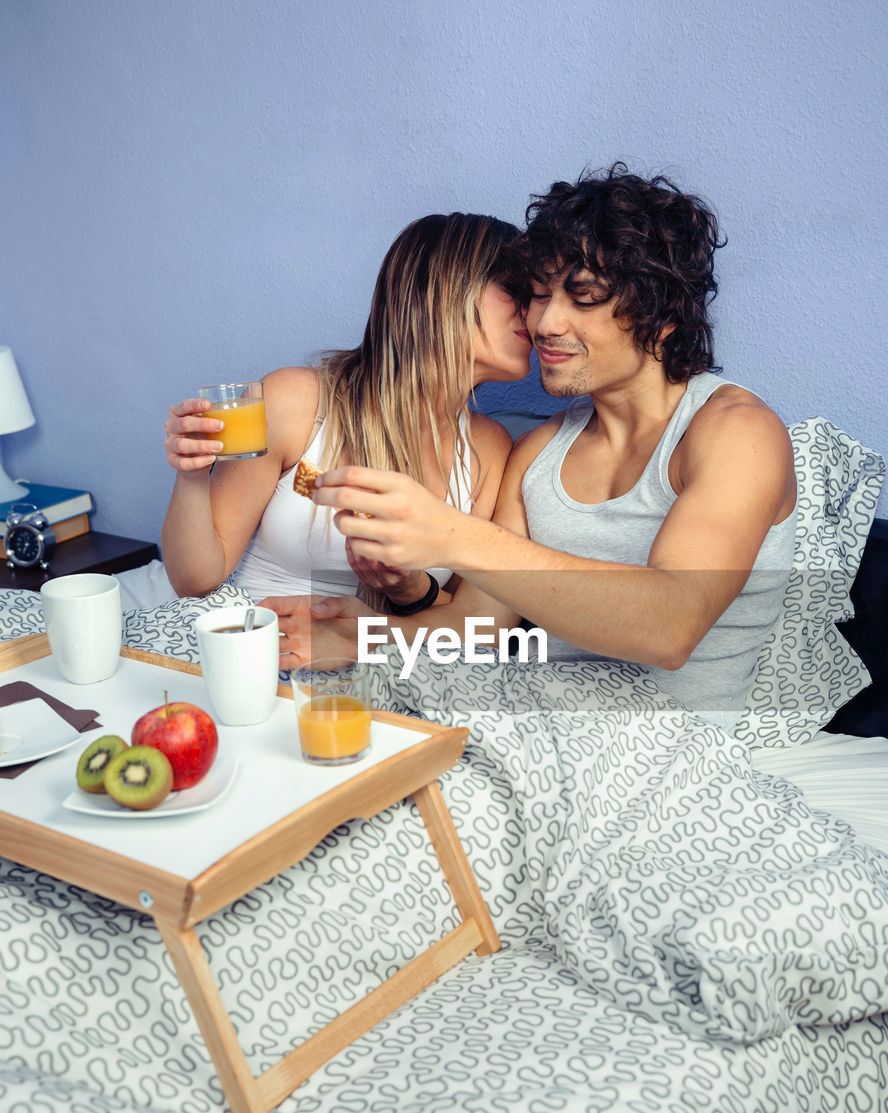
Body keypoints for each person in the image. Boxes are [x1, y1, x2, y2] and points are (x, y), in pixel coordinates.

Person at [275, 164, 798, 734]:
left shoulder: (735, 433)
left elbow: (669, 628)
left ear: (663, 315)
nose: (546, 321)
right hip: (529, 725)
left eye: (584, 296)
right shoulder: (538, 451)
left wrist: (451, 534)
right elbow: (477, 626)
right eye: (539, 294)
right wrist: (355, 635)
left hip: (664, 756)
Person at [160, 213, 532, 613]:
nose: (532, 311)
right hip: (254, 648)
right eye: (515, 289)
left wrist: (408, 588)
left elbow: (463, 619)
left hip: (377, 664)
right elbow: (195, 582)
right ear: (443, 291)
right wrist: (193, 475)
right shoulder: (296, 401)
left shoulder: (489, 450)